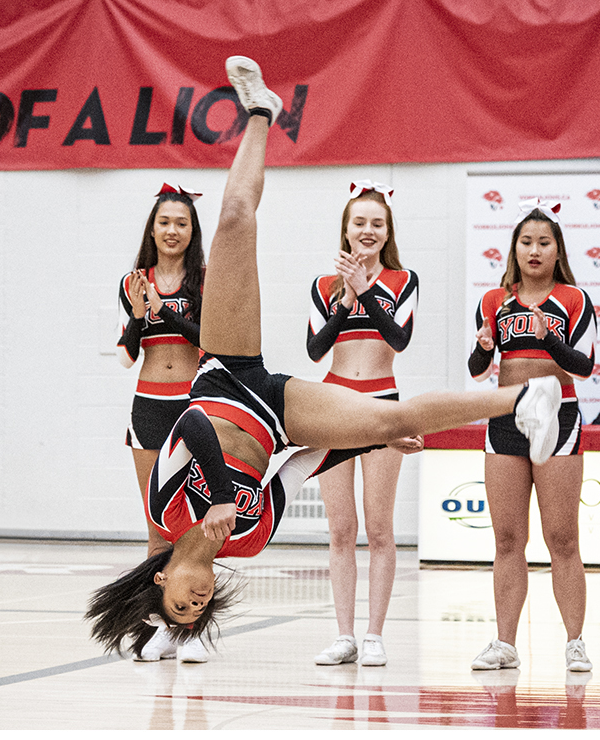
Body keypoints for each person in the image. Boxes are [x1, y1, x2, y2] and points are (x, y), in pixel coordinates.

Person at [86, 56, 564, 661]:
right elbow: (299, 467)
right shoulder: (250, 542)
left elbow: (194, 425)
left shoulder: (166, 507)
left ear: (160, 578)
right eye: (200, 609)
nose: (197, 598)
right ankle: (524, 400)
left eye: (181, 602)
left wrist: (218, 501)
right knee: (394, 422)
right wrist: (365, 439)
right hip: (281, 416)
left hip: (228, 375)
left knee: (235, 219)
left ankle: (260, 110)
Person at [467, 199, 597, 673]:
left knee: (562, 537)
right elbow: (478, 370)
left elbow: (583, 366)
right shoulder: (494, 300)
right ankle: (505, 643)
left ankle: (575, 641)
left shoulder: (574, 299)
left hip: (558, 416)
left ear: (558, 249)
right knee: (506, 538)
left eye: (544, 242)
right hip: (505, 418)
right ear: (514, 249)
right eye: (526, 242)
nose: (534, 250)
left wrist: (550, 338)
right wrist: (483, 349)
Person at [307, 180, 422, 667]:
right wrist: (343, 304)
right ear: (346, 229)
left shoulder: (403, 280)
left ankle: (374, 634)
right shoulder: (321, 284)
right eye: (360, 222)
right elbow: (316, 350)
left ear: (388, 230)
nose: (368, 231)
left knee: (379, 527)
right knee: (340, 528)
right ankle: (344, 634)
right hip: (333, 403)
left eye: (378, 223)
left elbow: (398, 340)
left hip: (380, 404)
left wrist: (366, 292)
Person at [116, 182, 211, 663]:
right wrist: (139, 316)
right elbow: (126, 355)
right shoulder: (135, 280)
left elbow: (212, 343)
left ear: (192, 231)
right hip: (149, 407)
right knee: (156, 526)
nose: (172, 230)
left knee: (196, 524)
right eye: (164, 222)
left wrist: (164, 313)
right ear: (152, 229)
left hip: (194, 407)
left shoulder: (204, 279)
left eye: (181, 223)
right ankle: (157, 626)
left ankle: (192, 628)